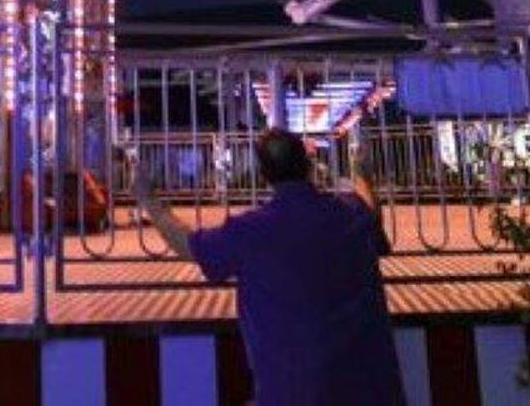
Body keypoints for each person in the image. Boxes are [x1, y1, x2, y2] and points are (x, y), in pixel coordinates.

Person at [134, 129, 403, 406]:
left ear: (264, 175)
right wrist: (361, 170)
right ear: (308, 165)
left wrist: (151, 202)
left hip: (293, 394)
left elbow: (188, 245)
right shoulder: (350, 214)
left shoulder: (251, 231)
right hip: (374, 391)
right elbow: (368, 206)